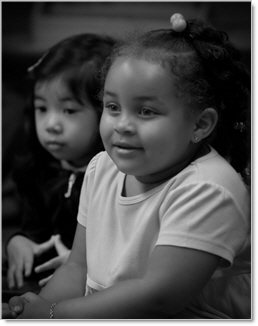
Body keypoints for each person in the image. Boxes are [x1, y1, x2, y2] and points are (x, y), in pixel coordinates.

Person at [3, 13, 251, 319]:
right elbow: (78, 267)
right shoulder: (101, 167)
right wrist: (36, 310)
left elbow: (158, 297)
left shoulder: (208, 188)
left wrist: (55, 314)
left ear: (200, 124)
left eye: (145, 111)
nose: (122, 125)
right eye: (112, 107)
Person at [2, 33, 116, 298]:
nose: (51, 124)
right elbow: (34, 227)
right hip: (38, 277)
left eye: (69, 111)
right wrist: (17, 241)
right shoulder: (40, 168)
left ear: (106, 112)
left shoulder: (118, 177)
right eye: (42, 108)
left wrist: (83, 267)